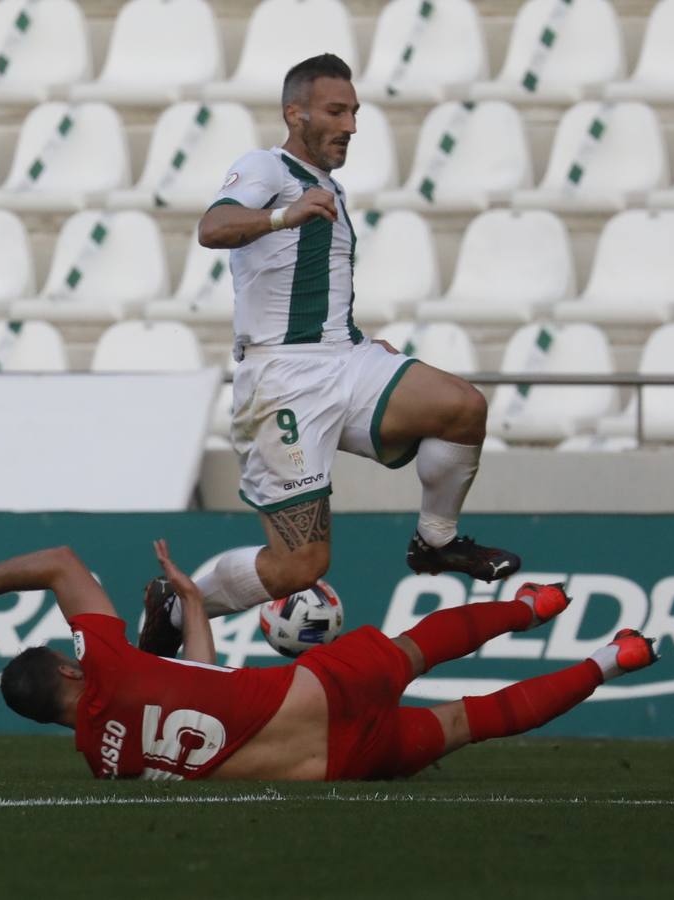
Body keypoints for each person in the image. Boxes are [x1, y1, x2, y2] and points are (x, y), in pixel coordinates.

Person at [176, 53, 521, 657]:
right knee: (299, 567)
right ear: (296, 112)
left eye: (355, 111)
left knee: (461, 408)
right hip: (281, 378)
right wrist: (284, 214)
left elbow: (306, 285)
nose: (352, 124)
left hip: (343, 357)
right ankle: (180, 602)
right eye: (337, 110)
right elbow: (214, 227)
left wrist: (358, 339)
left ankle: (436, 541)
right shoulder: (267, 166)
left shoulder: (330, 186)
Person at [0, 541, 659, 782]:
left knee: (469, 722)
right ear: (67, 671)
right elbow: (62, 563)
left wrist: (195, 604)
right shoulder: (110, 661)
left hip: (330, 763)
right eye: (68, 659)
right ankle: (534, 607)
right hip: (313, 691)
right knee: (420, 644)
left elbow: (203, 689)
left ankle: (609, 660)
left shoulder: (103, 758)